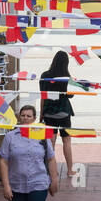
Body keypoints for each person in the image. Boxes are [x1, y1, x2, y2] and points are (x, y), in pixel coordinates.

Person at [0, 105, 58, 201]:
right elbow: (3, 161)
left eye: (28, 116)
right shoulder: (10, 137)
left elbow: (51, 159)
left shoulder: (43, 135)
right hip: (16, 185)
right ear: (19, 117)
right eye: (23, 115)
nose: (25, 118)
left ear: (34, 119)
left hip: (38, 184)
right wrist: (6, 186)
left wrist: (54, 180)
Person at [40, 50, 76, 179]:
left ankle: (50, 170)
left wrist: (41, 114)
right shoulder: (67, 78)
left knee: (51, 143)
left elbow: (43, 96)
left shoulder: (45, 75)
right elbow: (71, 95)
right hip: (63, 113)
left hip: (49, 113)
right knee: (67, 141)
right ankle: (70, 170)